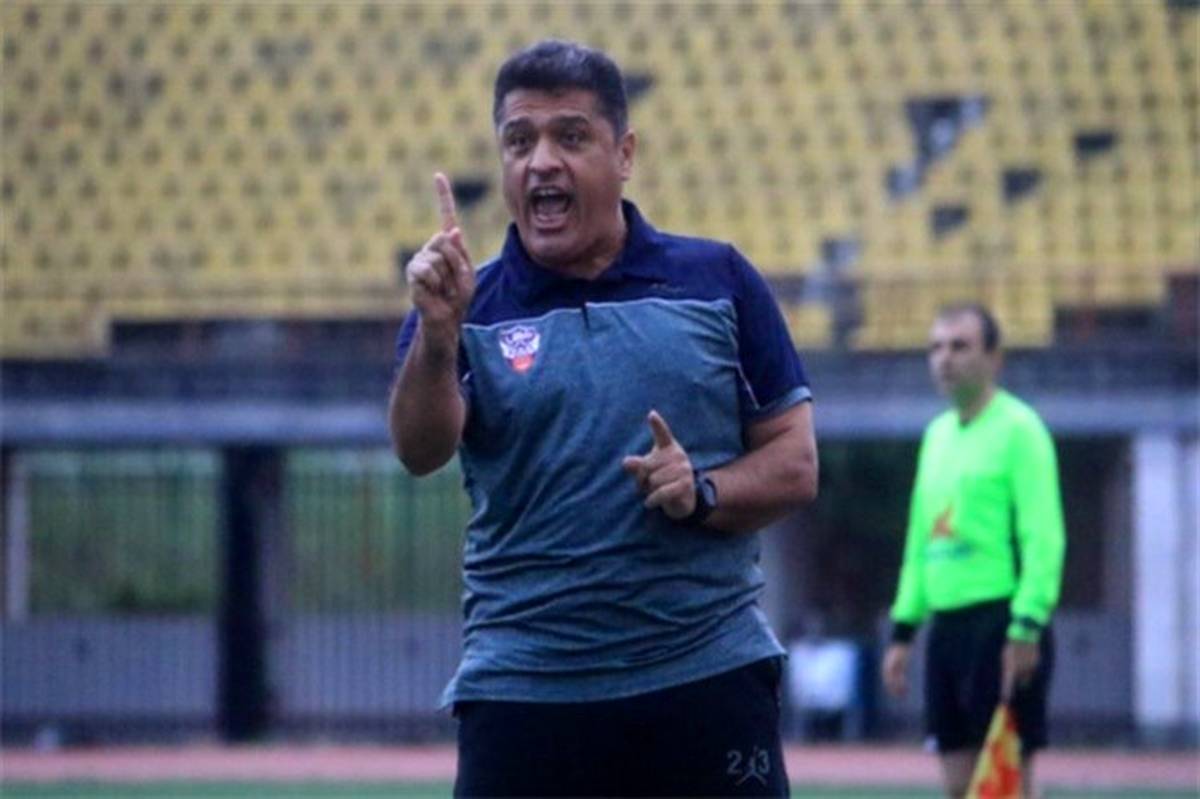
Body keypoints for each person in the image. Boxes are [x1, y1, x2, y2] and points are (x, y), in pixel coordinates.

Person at [388, 39, 818, 797]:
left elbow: (796, 462)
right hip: (523, 687)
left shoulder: (717, 280)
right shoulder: (462, 306)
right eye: (519, 141)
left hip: (703, 676)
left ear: (624, 154)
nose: (540, 162)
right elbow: (420, 450)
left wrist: (702, 491)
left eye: (570, 136)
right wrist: (437, 335)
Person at [881, 304, 1066, 799]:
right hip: (946, 631)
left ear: (994, 358)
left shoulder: (1021, 430)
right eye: (936, 347)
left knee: (1006, 786)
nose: (944, 358)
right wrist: (903, 631)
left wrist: (1027, 624)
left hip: (1002, 626)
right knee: (958, 787)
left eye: (960, 346)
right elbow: (920, 542)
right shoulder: (936, 437)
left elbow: (1043, 536)